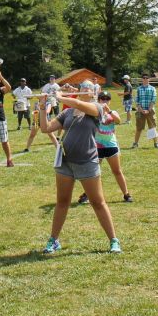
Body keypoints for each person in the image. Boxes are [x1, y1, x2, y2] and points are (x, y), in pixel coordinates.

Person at [37, 82, 122, 254]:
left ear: (94, 93)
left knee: (98, 202)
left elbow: (78, 104)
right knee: (62, 202)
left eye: (88, 88)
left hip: (87, 162)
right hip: (66, 162)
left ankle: (114, 240)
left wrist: (62, 97)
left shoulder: (97, 108)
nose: (85, 89)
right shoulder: (67, 112)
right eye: (82, 87)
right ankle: (54, 240)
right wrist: (41, 107)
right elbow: (45, 128)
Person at [77, 91, 133, 204]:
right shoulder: (94, 112)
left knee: (117, 171)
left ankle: (126, 194)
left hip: (111, 146)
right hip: (97, 147)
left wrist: (109, 111)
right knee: (93, 173)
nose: (105, 101)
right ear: (99, 100)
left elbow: (118, 120)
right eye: (103, 99)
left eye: (107, 99)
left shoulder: (113, 112)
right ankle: (87, 194)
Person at [132, 74, 158, 149]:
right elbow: (137, 100)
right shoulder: (138, 89)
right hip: (140, 111)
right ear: (142, 79)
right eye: (144, 78)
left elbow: (154, 99)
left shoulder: (153, 88)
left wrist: (148, 109)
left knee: (152, 127)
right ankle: (135, 143)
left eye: (147, 78)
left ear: (149, 79)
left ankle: (156, 143)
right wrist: (141, 110)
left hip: (150, 111)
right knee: (139, 128)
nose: (145, 79)